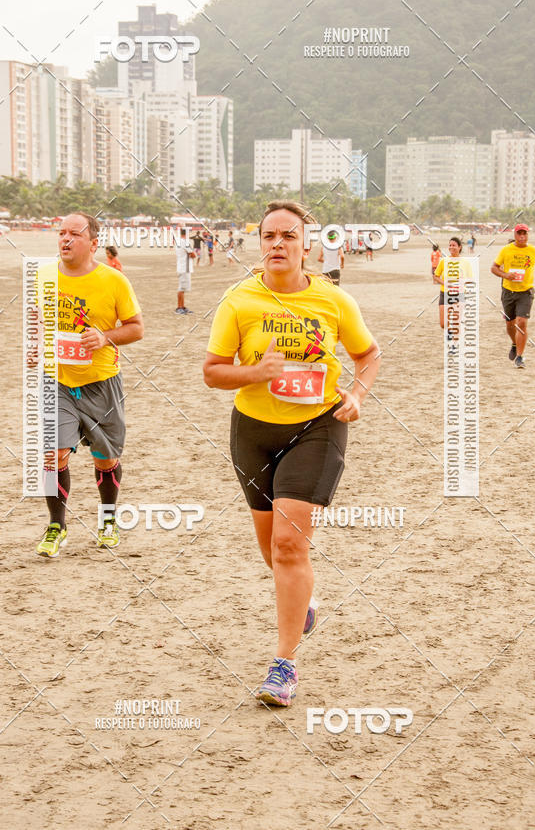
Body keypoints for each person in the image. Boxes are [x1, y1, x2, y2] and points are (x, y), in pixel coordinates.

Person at [203, 200, 380, 707]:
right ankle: (303, 602)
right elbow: (213, 371)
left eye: (287, 235)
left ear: (307, 243)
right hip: (253, 431)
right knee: (270, 550)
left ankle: (284, 666)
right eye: (269, 236)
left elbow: (368, 355)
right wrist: (255, 373)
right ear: (259, 243)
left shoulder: (333, 300)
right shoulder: (239, 300)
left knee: (288, 546)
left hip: (317, 427)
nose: (277, 243)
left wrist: (357, 395)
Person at [33, 212, 144, 558]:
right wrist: (36, 346)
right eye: (61, 233)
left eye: (75, 234)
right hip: (58, 382)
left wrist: (105, 337)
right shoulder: (45, 276)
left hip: (101, 383)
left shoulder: (113, 281)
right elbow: (39, 318)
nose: (65, 239)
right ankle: (56, 526)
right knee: (53, 455)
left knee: (105, 460)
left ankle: (108, 520)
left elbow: (136, 327)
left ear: (93, 243)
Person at [490, 224, 535, 368]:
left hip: (526, 292)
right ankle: (514, 343)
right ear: (514, 234)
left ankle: (520, 357)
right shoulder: (506, 250)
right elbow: (494, 268)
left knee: (521, 322)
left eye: (524, 233)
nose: (522, 236)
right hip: (508, 292)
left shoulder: (534, 250)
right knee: (510, 324)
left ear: (528, 235)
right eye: (519, 233)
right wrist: (505, 275)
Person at [433, 237, 472, 337]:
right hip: (445, 293)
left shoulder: (465, 262)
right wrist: (445, 283)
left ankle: (455, 345)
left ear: (459, 247)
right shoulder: (443, 261)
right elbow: (436, 276)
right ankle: (451, 331)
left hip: (459, 294)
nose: (451, 247)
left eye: (454, 245)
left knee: (455, 322)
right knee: (443, 324)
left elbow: (470, 280)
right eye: (450, 245)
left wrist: (463, 284)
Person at [175, 226, 195, 314]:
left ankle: (182, 306)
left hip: (181, 266)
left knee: (183, 288)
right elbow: (192, 254)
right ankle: (179, 307)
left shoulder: (178, 241)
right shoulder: (185, 242)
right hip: (185, 267)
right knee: (182, 288)